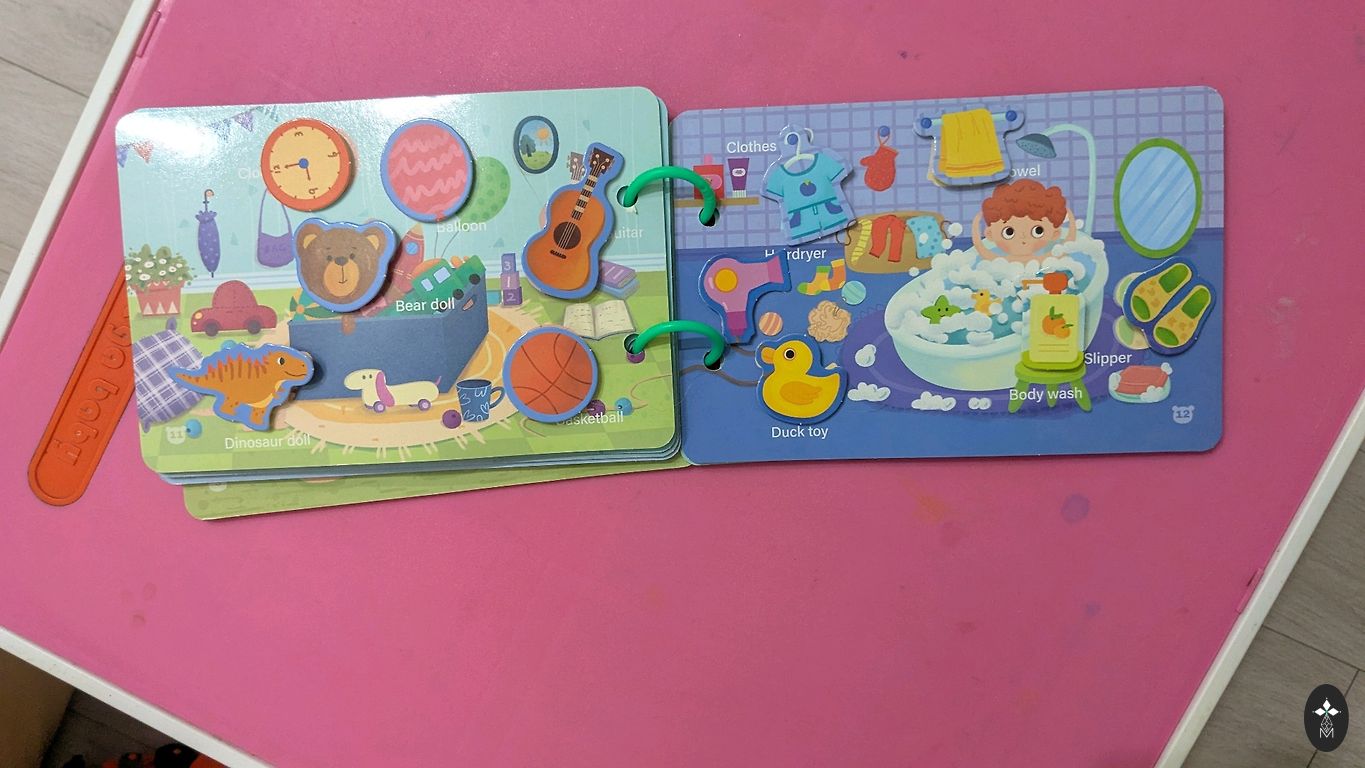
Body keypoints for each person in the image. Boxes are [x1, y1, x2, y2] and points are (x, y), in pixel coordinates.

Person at [971, 180, 1076, 263]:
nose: (1023, 238)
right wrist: (975, 225)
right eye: (1009, 232)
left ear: (1055, 234)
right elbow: (980, 248)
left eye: (1038, 231)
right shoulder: (1042, 260)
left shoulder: (1042, 261)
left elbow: (1066, 247)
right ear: (990, 234)